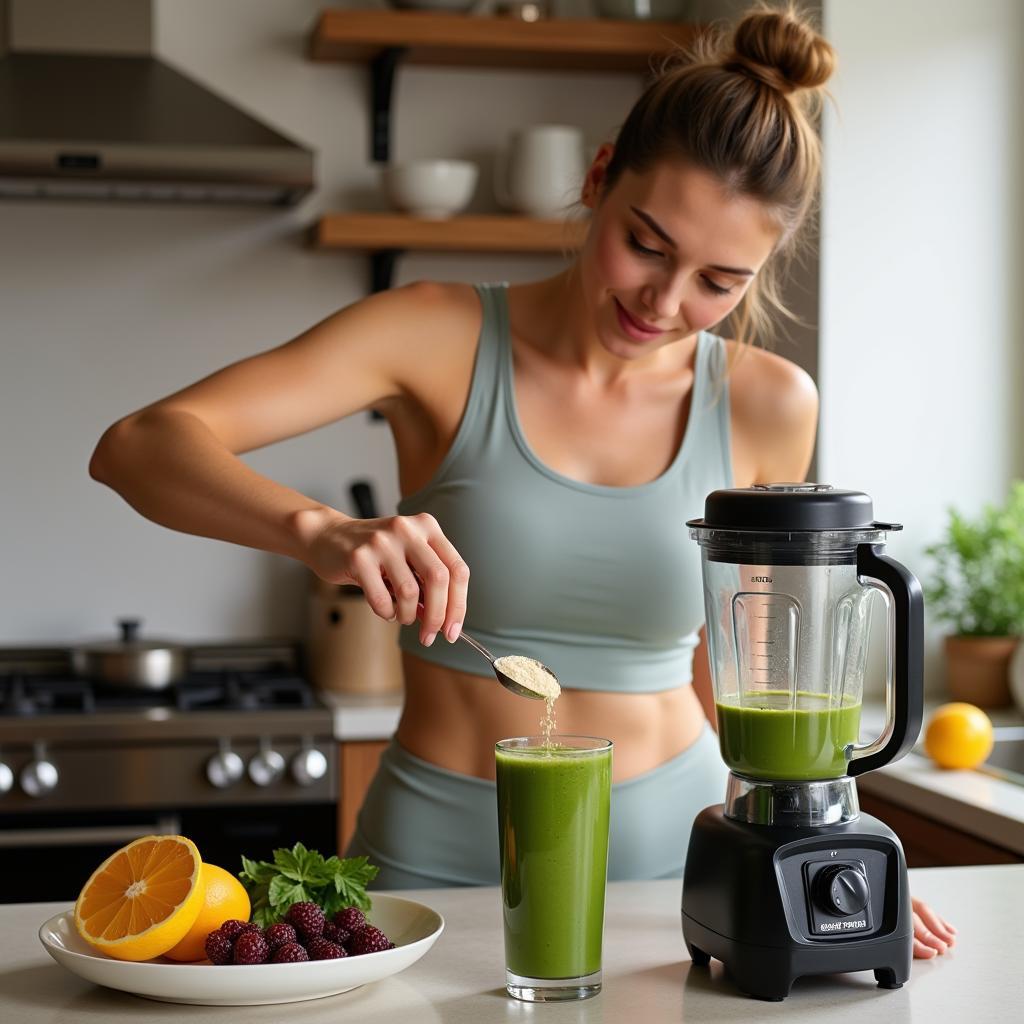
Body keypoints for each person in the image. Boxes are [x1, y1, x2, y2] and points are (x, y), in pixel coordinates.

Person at [89, 3, 954, 960]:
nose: (665, 304)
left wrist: (824, 839)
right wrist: (320, 531)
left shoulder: (770, 403)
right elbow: (138, 444)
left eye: (718, 280)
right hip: (434, 862)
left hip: (675, 873)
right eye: (648, 244)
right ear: (598, 178)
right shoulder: (434, 336)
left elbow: (736, 664)